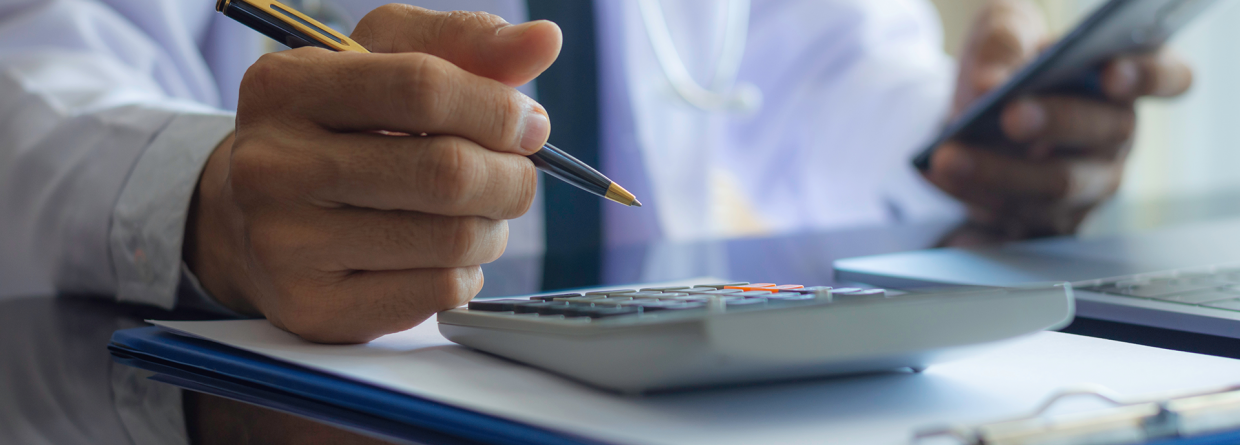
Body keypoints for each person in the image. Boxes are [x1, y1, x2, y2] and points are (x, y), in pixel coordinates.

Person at [0, 0, 1192, 346]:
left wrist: (988, 138)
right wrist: (207, 195)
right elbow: (34, 80)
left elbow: (829, 77)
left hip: (643, 382)